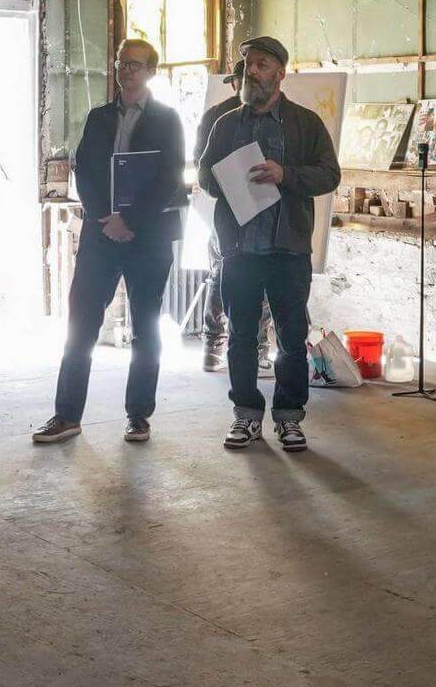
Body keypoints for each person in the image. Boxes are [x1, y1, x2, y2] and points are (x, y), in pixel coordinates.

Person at [34, 39, 186, 445]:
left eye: (134, 64)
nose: (125, 71)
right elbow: (84, 171)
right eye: (121, 63)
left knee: (146, 329)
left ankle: (138, 416)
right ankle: (67, 416)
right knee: (81, 324)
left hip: (147, 236)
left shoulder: (167, 119)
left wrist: (129, 220)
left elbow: (169, 178)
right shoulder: (99, 117)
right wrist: (106, 219)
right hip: (101, 234)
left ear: (151, 71)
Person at [198, 36, 340, 453]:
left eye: (262, 64)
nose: (253, 71)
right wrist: (228, 179)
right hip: (239, 249)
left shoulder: (305, 123)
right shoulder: (225, 124)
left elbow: (329, 174)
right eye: (249, 65)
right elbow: (204, 175)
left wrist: (286, 174)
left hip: (287, 249)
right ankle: (246, 414)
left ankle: (289, 417)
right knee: (241, 336)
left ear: (280, 74)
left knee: (292, 337)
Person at [194, 62, 270, 375]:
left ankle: (223, 348)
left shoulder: (261, 113)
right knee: (227, 273)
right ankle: (236, 348)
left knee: (229, 274)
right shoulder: (219, 117)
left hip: (257, 205)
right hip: (231, 207)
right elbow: (202, 165)